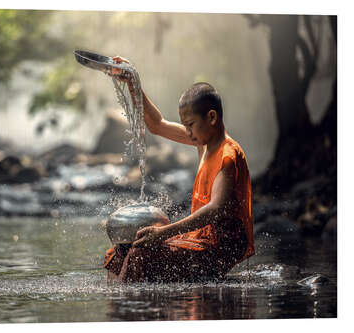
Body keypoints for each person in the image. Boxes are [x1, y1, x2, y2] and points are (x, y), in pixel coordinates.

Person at [103, 56, 255, 283]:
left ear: (211, 117)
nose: (188, 132)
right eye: (186, 126)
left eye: (190, 125)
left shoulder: (228, 155)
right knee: (119, 251)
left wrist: (163, 233)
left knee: (139, 254)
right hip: (198, 239)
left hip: (219, 248)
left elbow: (216, 209)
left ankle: (132, 309)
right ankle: (122, 305)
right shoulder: (203, 141)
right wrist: (133, 83)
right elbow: (156, 125)